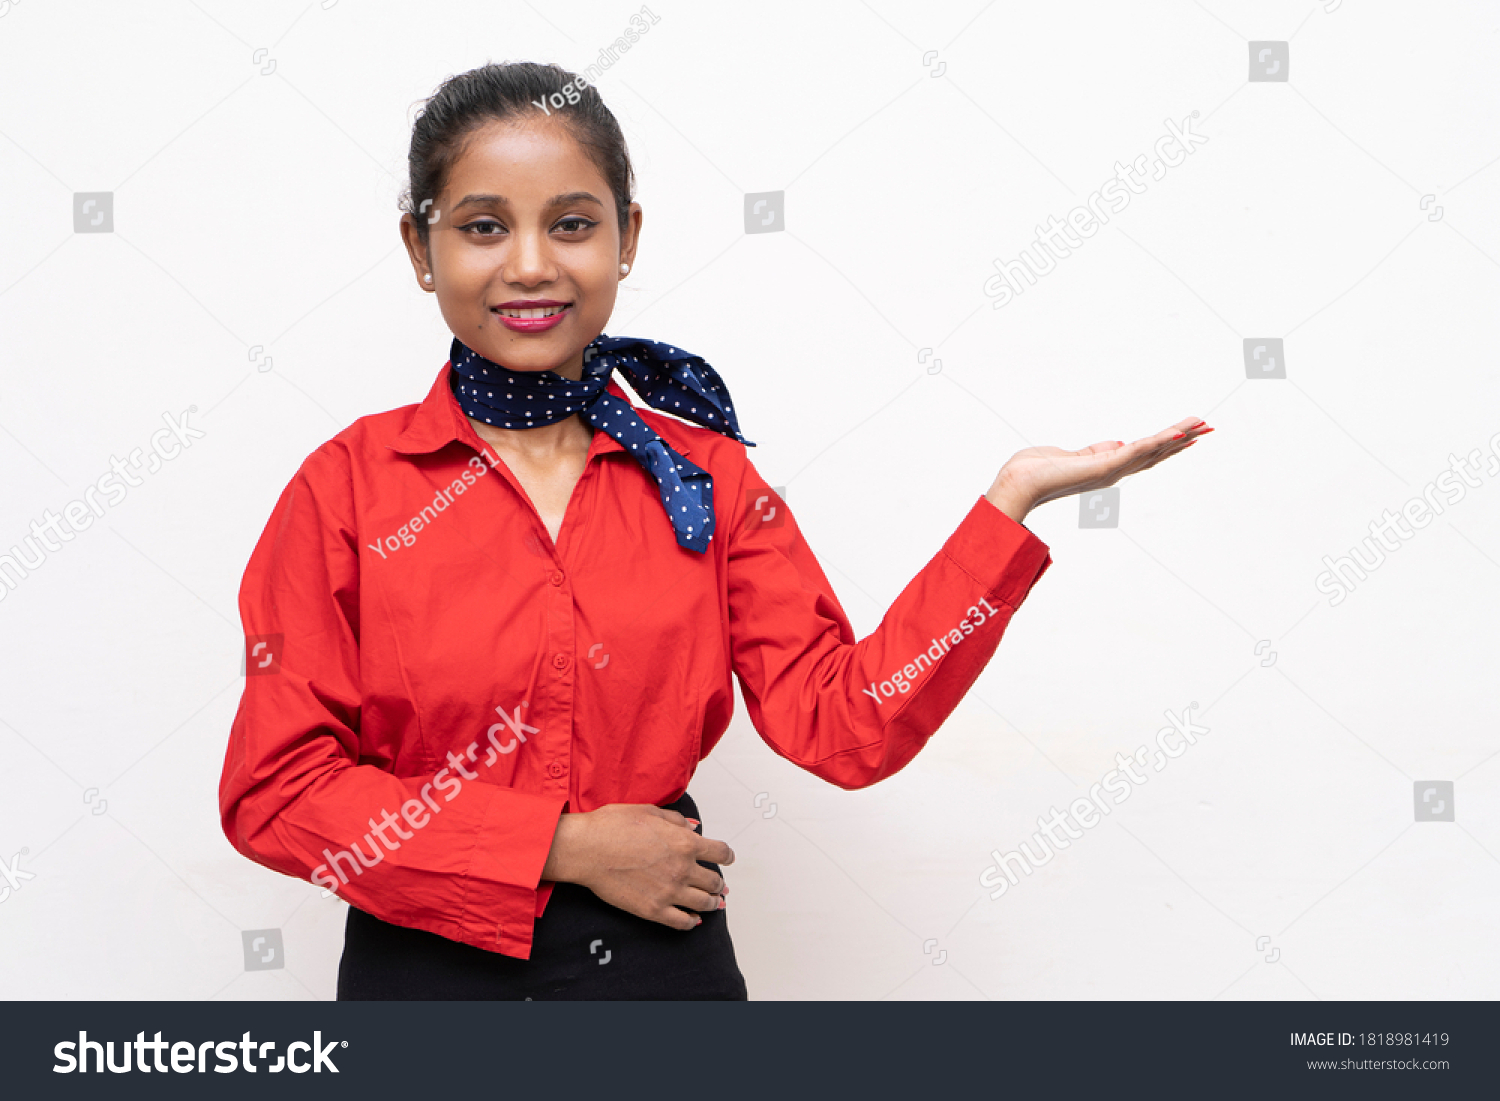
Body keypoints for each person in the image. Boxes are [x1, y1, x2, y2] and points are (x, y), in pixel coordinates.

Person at [217, 61, 1211, 1001]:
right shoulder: (345, 491)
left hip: (662, 972)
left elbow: (845, 724)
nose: (529, 265)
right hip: (424, 972)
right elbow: (276, 791)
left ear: (628, 237)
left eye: (572, 223)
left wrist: (1009, 506)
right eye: (482, 227)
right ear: (418, 250)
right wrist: (568, 847)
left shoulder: (705, 479)